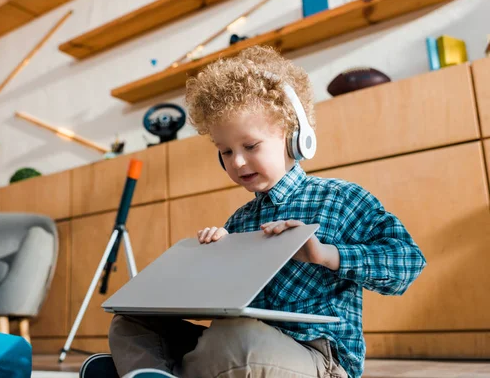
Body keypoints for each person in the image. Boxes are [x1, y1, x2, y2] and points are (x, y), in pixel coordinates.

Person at [80, 45, 427, 378]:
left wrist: (326, 254)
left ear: (294, 137)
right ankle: (154, 372)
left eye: (250, 145)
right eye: (226, 151)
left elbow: (408, 263)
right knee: (130, 321)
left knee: (237, 339)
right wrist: (210, 261)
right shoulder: (240, 221)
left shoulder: (341, 199)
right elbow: (222, 307)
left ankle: (150, 370)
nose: (238, 161)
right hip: (233, 349)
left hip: (318, 361)